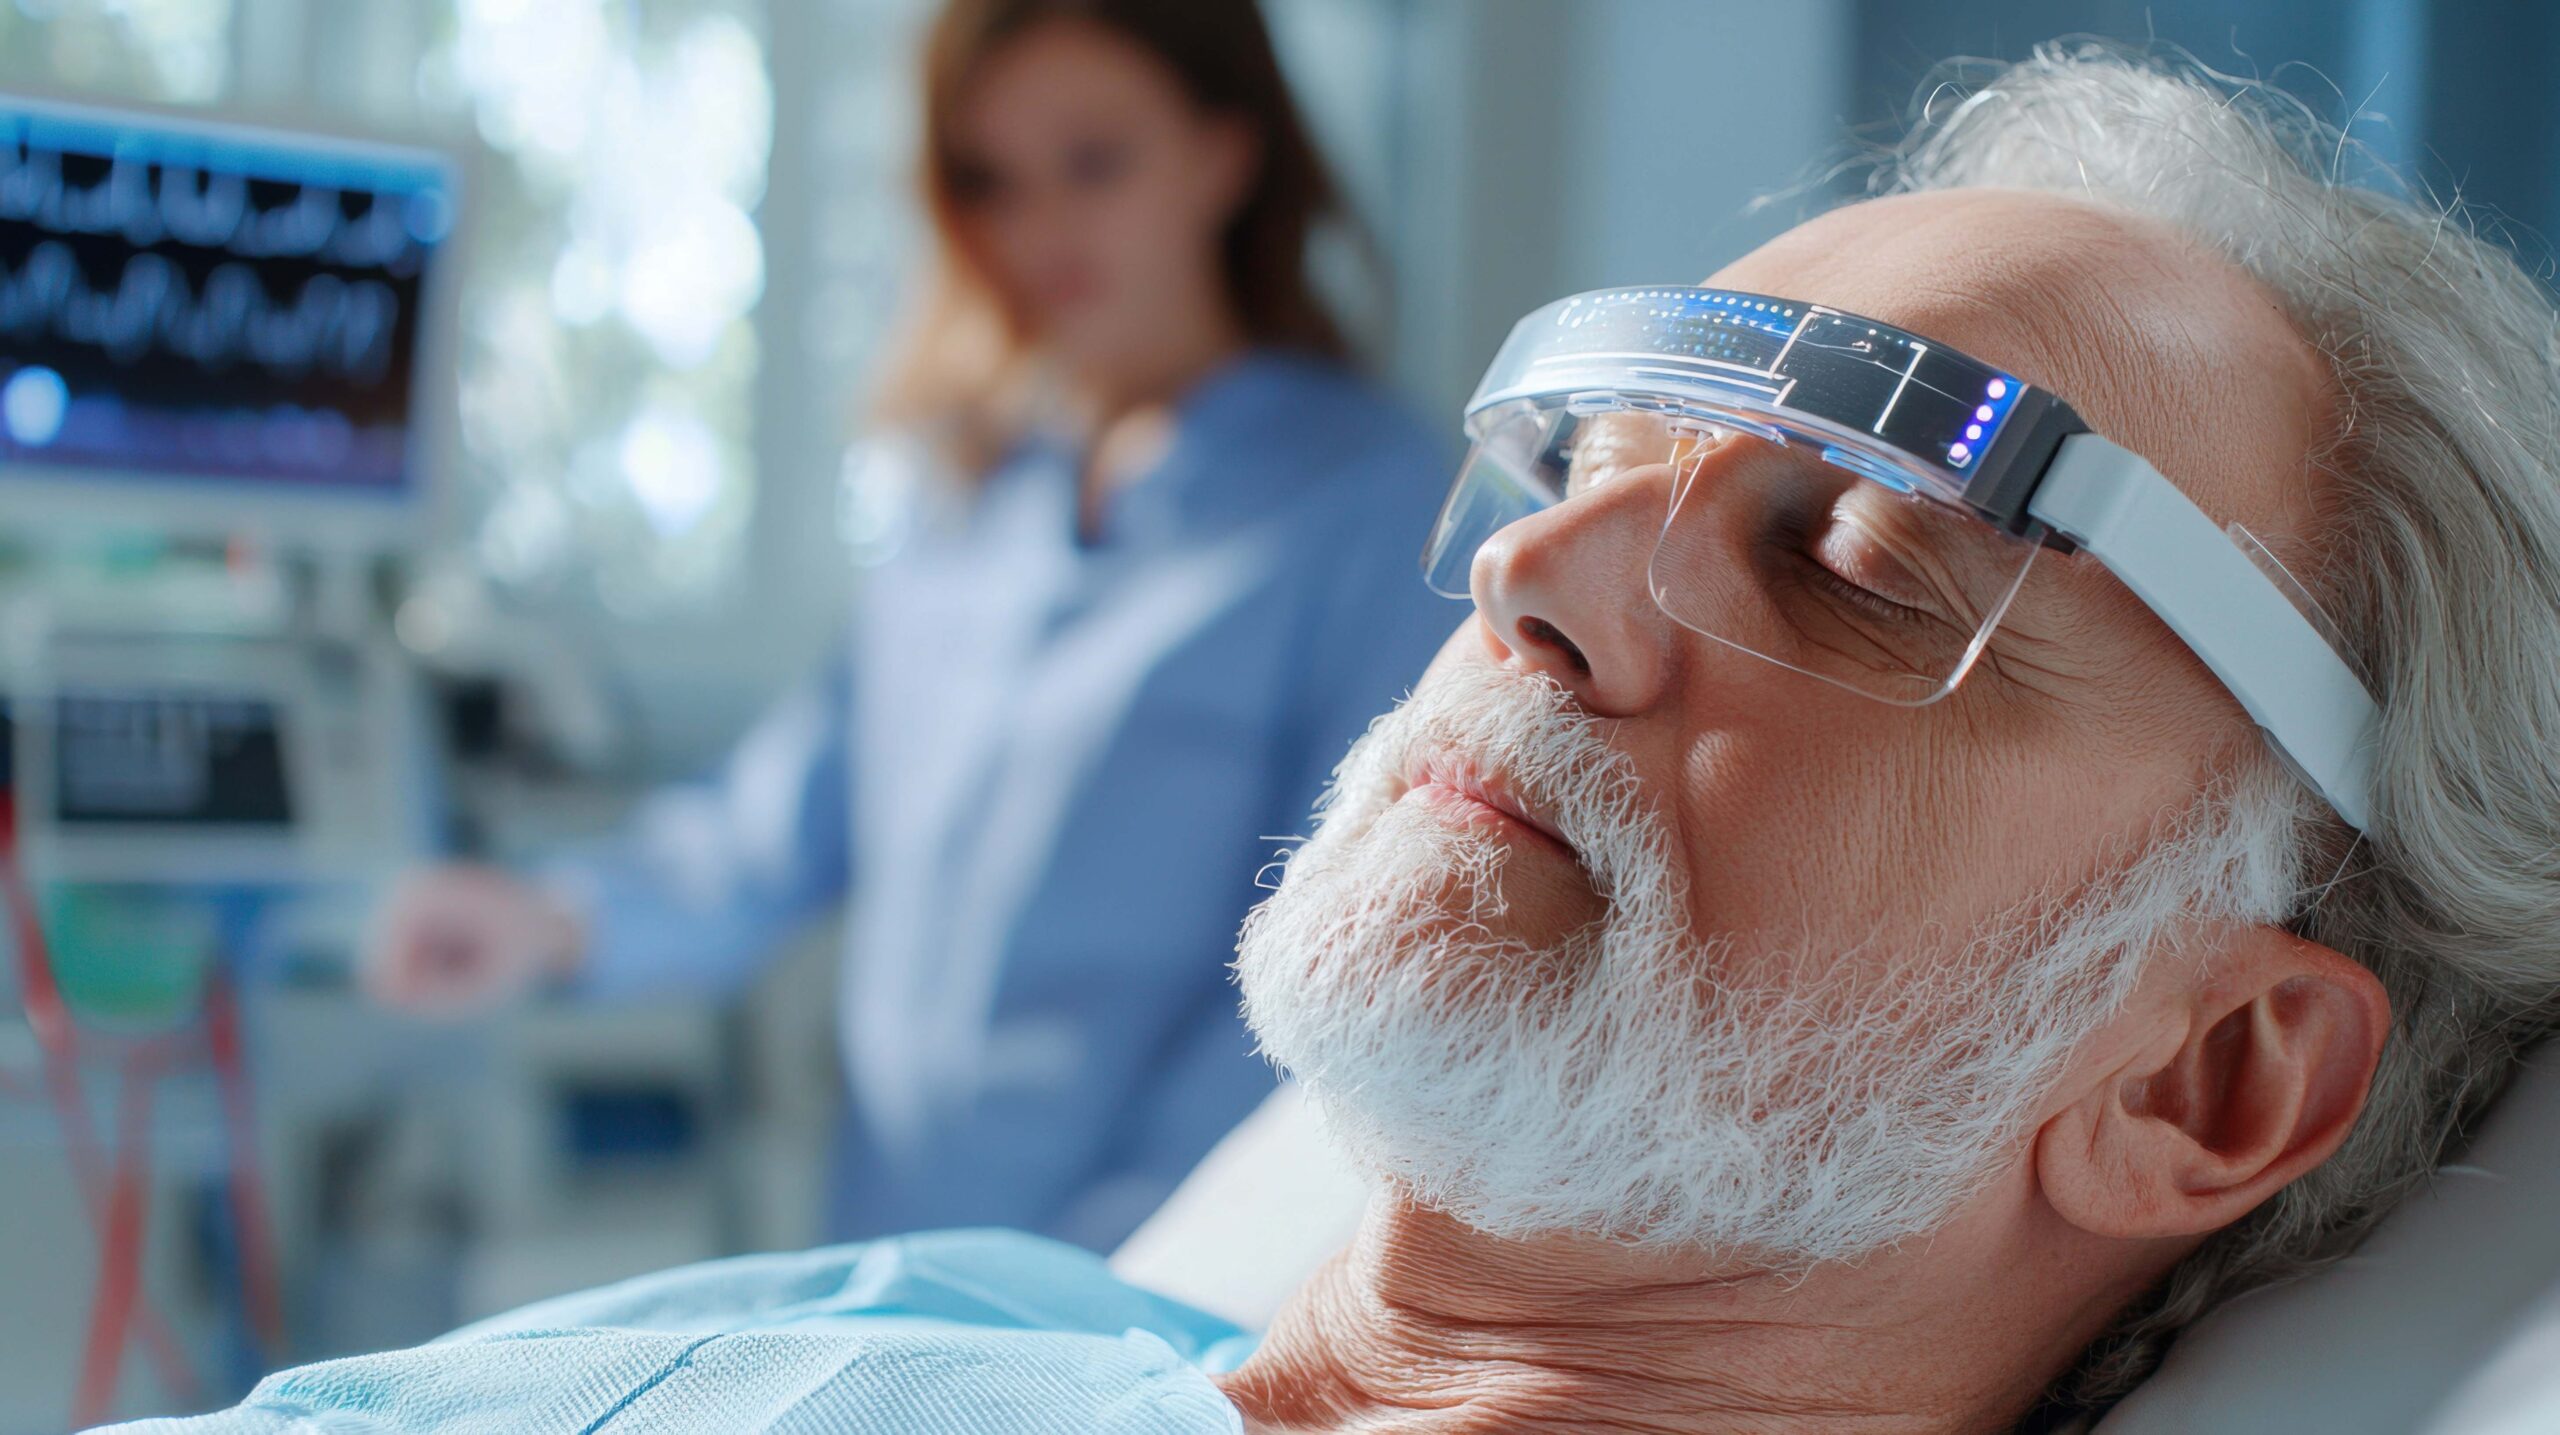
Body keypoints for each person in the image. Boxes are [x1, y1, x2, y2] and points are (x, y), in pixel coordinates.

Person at [119, 44, 2560, 1435]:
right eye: (1582, 465)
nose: (1530, 576)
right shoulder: (999, 1328)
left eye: (1853, 559)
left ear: (2200, 1076)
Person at [363, 0, 1452, 1252]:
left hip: (1153, 1283)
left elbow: (1344, 964)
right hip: (899, 1258)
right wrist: (548, 920)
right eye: (991, 180)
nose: (1039, 229)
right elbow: (774, 828)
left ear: (1226, 153)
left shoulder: (1368, 504)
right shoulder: (967, 501)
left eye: (1095, 162)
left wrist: (1117, 1276)